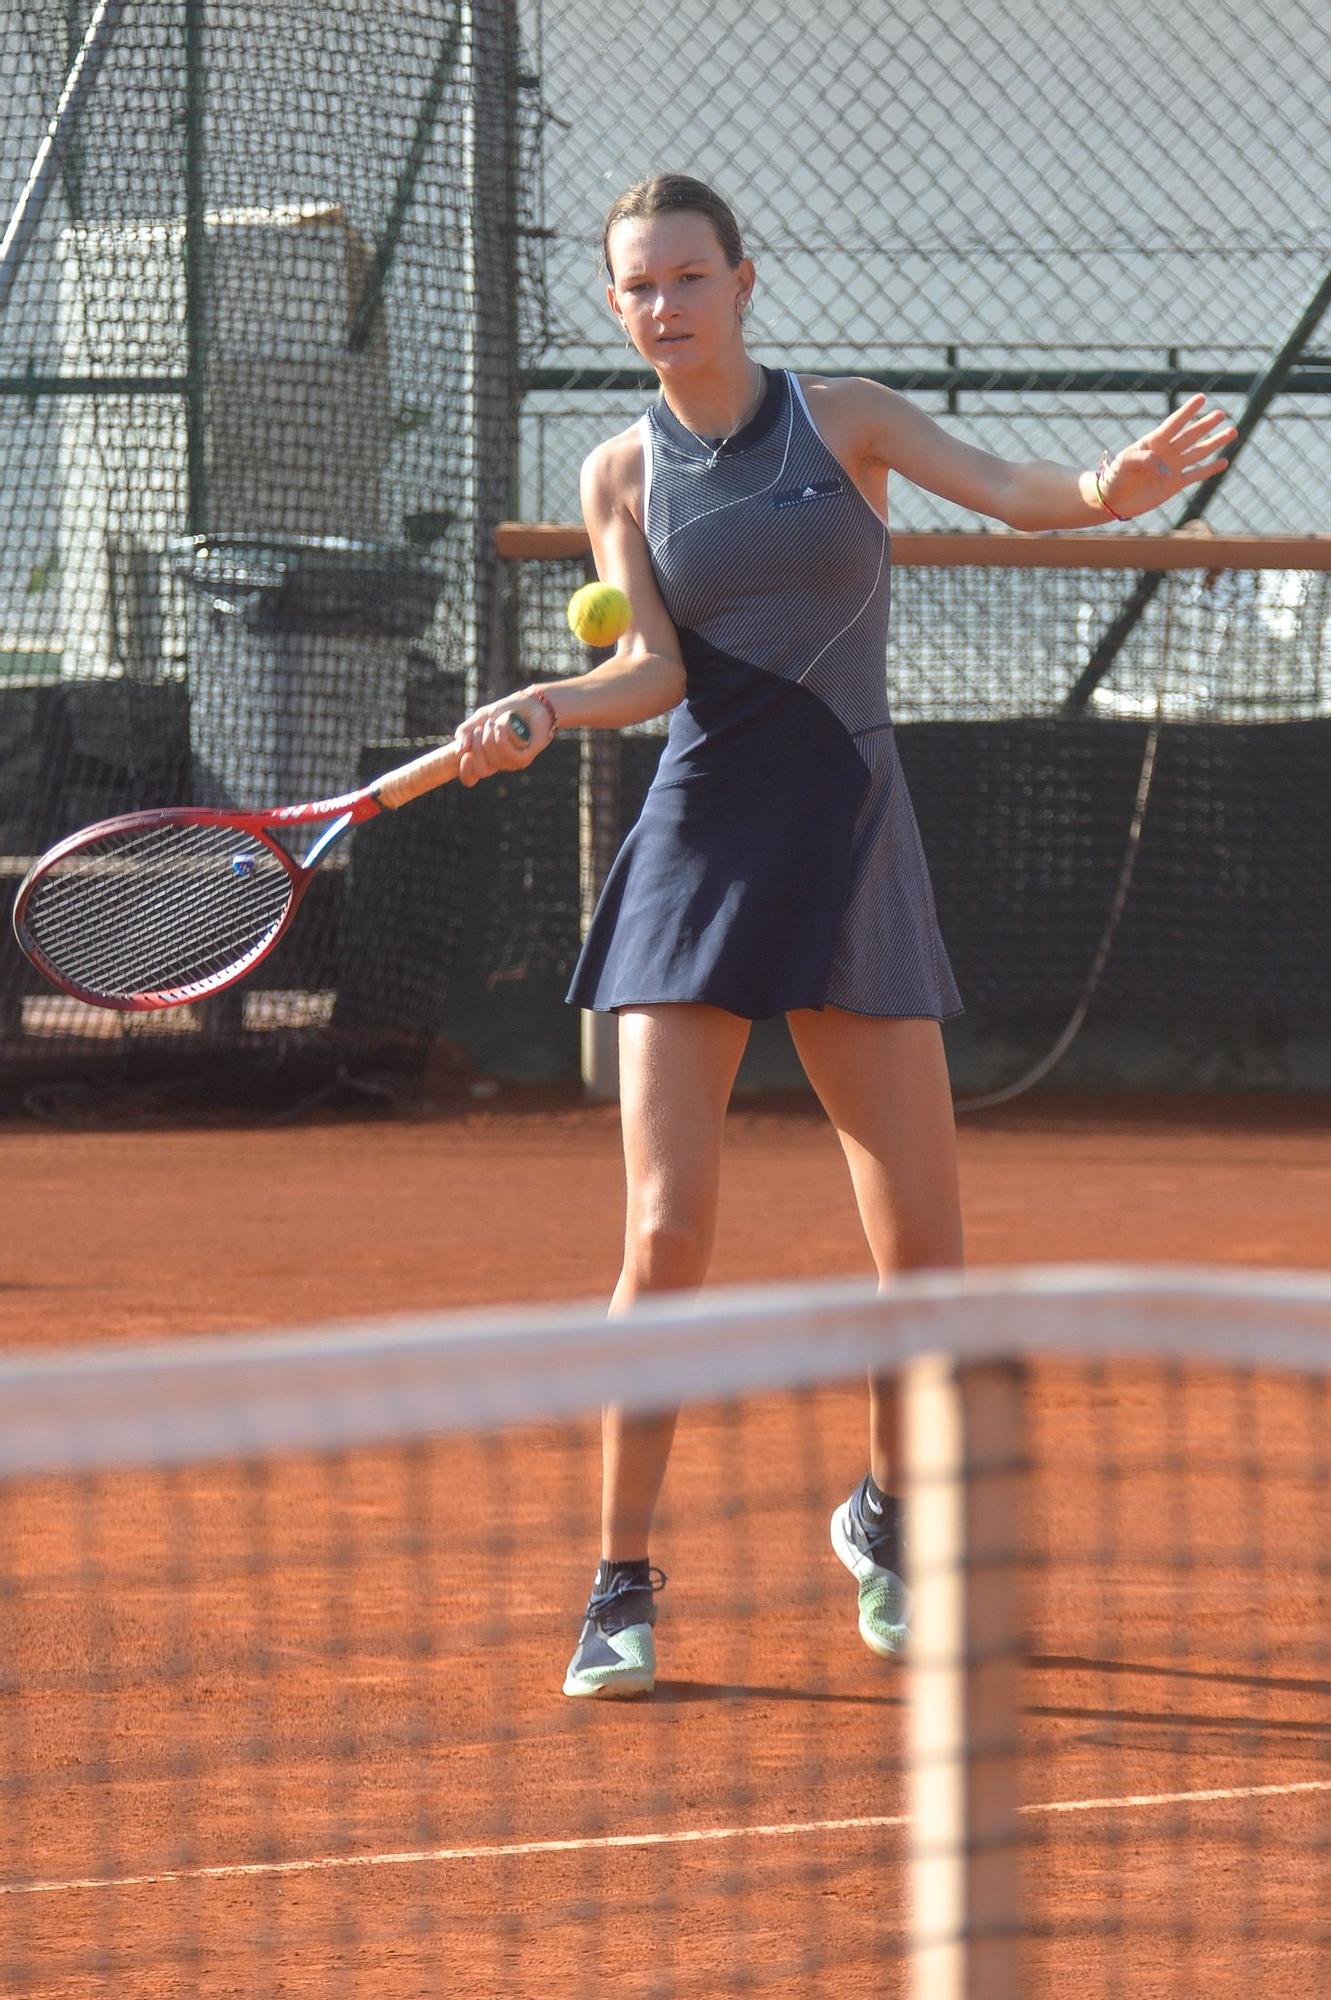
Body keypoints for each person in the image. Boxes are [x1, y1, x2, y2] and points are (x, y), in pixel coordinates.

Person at [453, 173, 1235, 1698]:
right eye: (638, 287)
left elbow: (1016, 491)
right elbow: (654, 673)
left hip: (854, 843)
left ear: (746, 280)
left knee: (922, 1256)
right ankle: (619, 1585)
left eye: (689, 275)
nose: (665, 304)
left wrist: (1106, 491)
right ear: (617, 307)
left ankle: (884, 1519)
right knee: (668, 1234)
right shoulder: (622, 470)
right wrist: (546, 706)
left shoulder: (852, 419)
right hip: (697, 848)